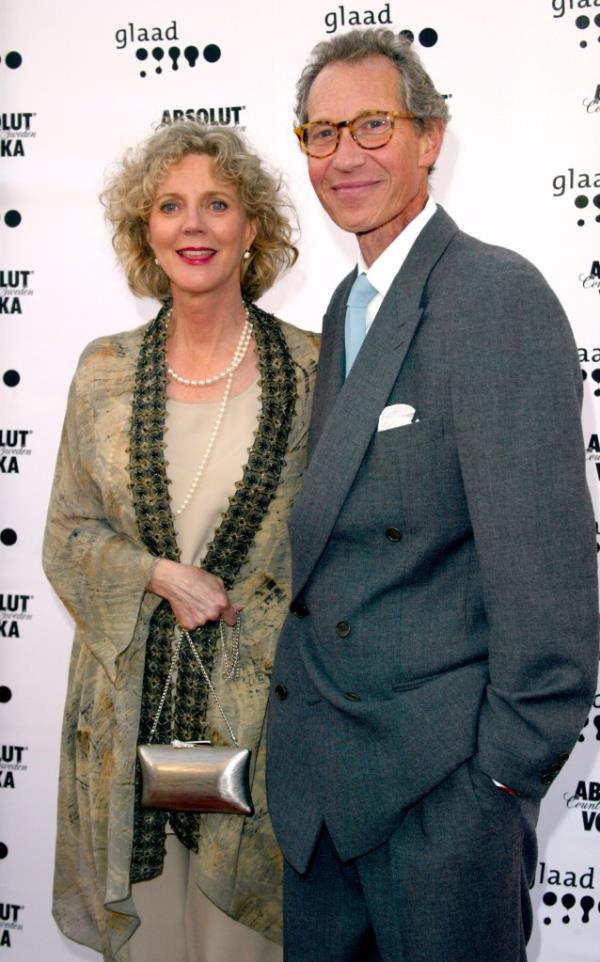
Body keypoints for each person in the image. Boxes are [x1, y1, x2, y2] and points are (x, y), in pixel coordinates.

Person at [266, 28, 599, 962]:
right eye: (321, 133)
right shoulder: (346, 307)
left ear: (430, 137)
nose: (346, 155)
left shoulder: (497, 297)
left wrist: (495, 787)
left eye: (373, 124)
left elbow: (549, 588)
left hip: (440, 809)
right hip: (321, 806)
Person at [43, 121, 318, 962]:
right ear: (145, 233)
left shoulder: (315, 371)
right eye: (169, 206)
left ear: (252, 230)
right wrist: (156, 573)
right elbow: (65, 534)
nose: (192, 225)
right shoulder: (103, 371)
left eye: (216, 204)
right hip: (126, 725)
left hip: (264, 729)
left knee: (244, 946)